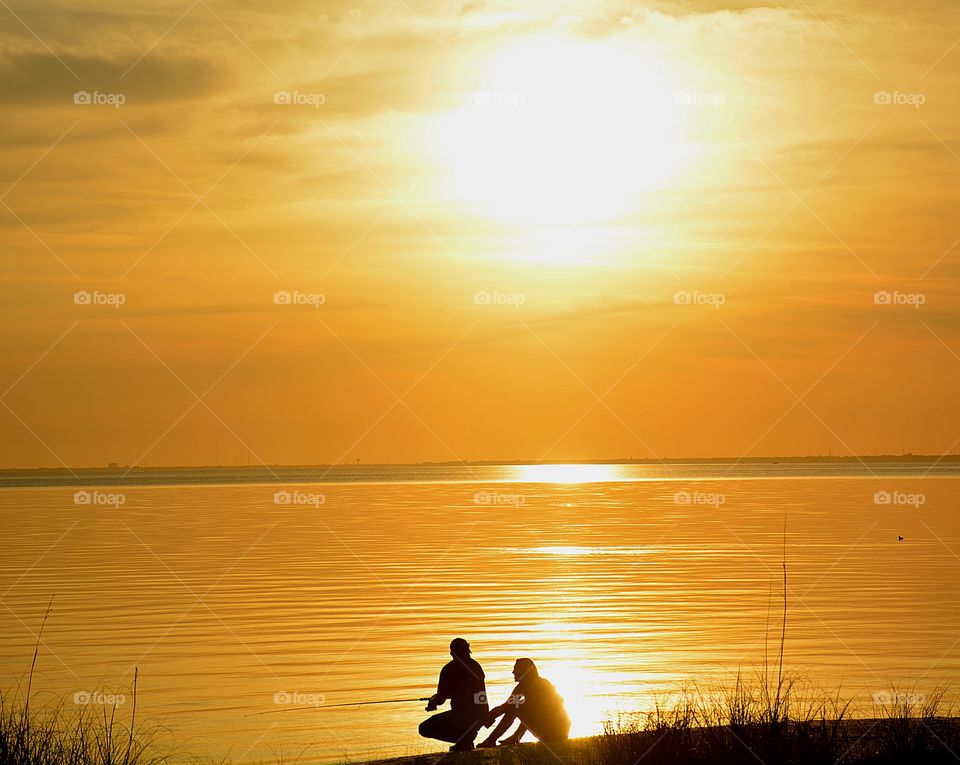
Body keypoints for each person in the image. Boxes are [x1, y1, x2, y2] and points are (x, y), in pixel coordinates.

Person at [479, 658, 570, 748]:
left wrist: (483, 719)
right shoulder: (543, 682)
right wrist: (517, 734)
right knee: (520, 706)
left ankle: (491, 740)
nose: (513, 672)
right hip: (563, 730)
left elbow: (505, 707)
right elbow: (533, 714)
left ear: (523, 671)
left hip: (551, 732)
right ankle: (514, 737)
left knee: (514, 707)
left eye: (515, 669)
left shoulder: (524, 686)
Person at [418, 638, 489, 752]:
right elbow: (470, 692)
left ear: (452, 653)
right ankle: (466, 739)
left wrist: (433, 703)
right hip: (481, 715)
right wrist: (484, 715)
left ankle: (464, 740)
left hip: (462, 716)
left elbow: (441, 698)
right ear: (468, 651)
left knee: (424, 728)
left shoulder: (449, 669)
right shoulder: (476, 666)